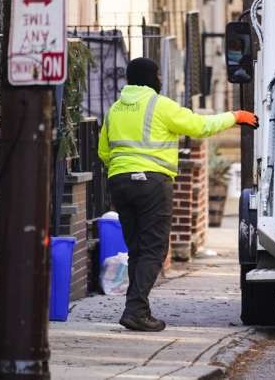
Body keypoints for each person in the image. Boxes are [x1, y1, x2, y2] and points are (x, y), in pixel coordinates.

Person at [98, 57, 258, 332]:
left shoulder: (115, 109)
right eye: (158, 73)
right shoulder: (159, 105)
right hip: (152, 183)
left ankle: (138, 310)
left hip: (120, 181)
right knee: (155, 249)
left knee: (137, 248)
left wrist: (123, 170)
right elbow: (199, 126)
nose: (161, 78)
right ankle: (135, 309)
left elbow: (103, 150)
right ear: (151, 77)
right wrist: (236, 116)